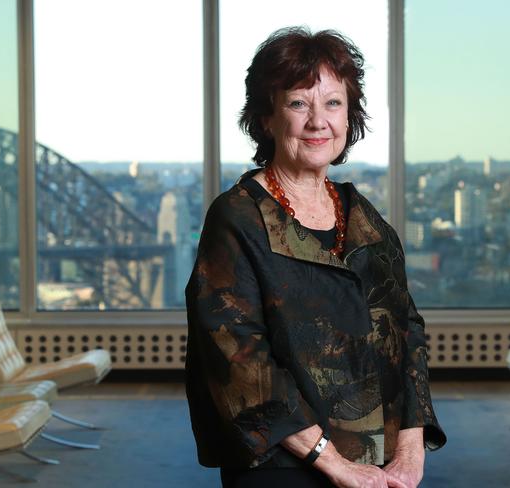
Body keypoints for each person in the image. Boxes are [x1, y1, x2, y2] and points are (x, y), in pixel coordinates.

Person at [185, 27, 446, 488]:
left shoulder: (360, 213)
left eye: (333, 103)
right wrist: (336, 465)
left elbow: (406, 330)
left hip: (377, 466)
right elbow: (240, 361)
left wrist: (410, 451)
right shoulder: (237, 217)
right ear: (267, 117)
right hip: (284, 467)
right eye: (298, 103)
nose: (317, 121)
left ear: (350, 116)